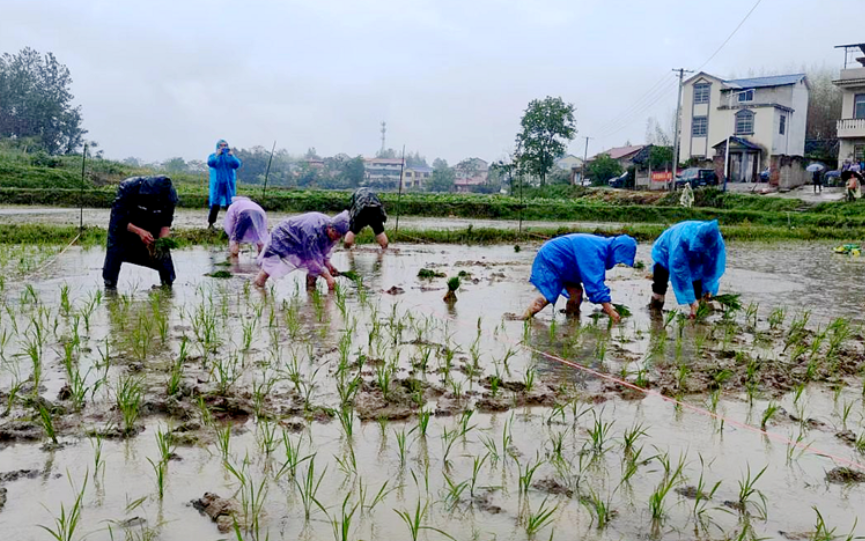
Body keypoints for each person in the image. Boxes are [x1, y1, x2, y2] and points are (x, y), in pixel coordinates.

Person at [520, 233, 638, 323]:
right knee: (549, 293)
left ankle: (571, 323)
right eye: (619, 258)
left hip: (564, 261)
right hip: (553, 257)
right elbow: (594, 283)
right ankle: (524, 318)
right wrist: (610, 311)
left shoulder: (602, 247)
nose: (617, 261)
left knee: (576, 293)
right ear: (617, 250)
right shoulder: (596, 251)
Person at [103, 176, 178, 290]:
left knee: (163, 256)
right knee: (115, 251)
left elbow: (165, 223)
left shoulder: (170, 196)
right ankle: (110, 287)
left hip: (152, 226)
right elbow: (118, 220)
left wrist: (161, 242)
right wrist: (139, 231)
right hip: (125, 227)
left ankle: (167, 287)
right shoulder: (128, 188)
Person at [253, 211, 350, 290]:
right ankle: (258, 287)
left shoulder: (332, 231)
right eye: (337, 235)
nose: (337, 239)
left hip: (300, 239)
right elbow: (312, 260)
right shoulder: (312, 232)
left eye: (340, 237)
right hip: (283, 237)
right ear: (330, 228)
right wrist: (328, 277)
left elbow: (321, 255)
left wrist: (328, 264)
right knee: (269, 267)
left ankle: (311, 291)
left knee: (316, 268)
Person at [649, 220, 726, 318]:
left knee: (698, 285)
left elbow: (712, 268)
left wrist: (707, 289)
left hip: (694, 258)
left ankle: (696, 316)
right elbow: (681, 275)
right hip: (664, 251)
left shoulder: (716, 242)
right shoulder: (681, 243)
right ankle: (655, 312)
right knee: (660, 286)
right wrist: (691, 301)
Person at [207, 139, 242, 228]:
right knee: (215, 203)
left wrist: (232, 156)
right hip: (218, 183)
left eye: (225, 145)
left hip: (229, 183)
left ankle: (232, 224)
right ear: (218, 147)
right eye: (221, 145)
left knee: (230, 203)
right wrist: (217, 155)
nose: (223, 147)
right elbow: (210, 163)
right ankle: (211, 223)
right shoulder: (214, 156)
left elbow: (237, 165)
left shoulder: (230, 156)